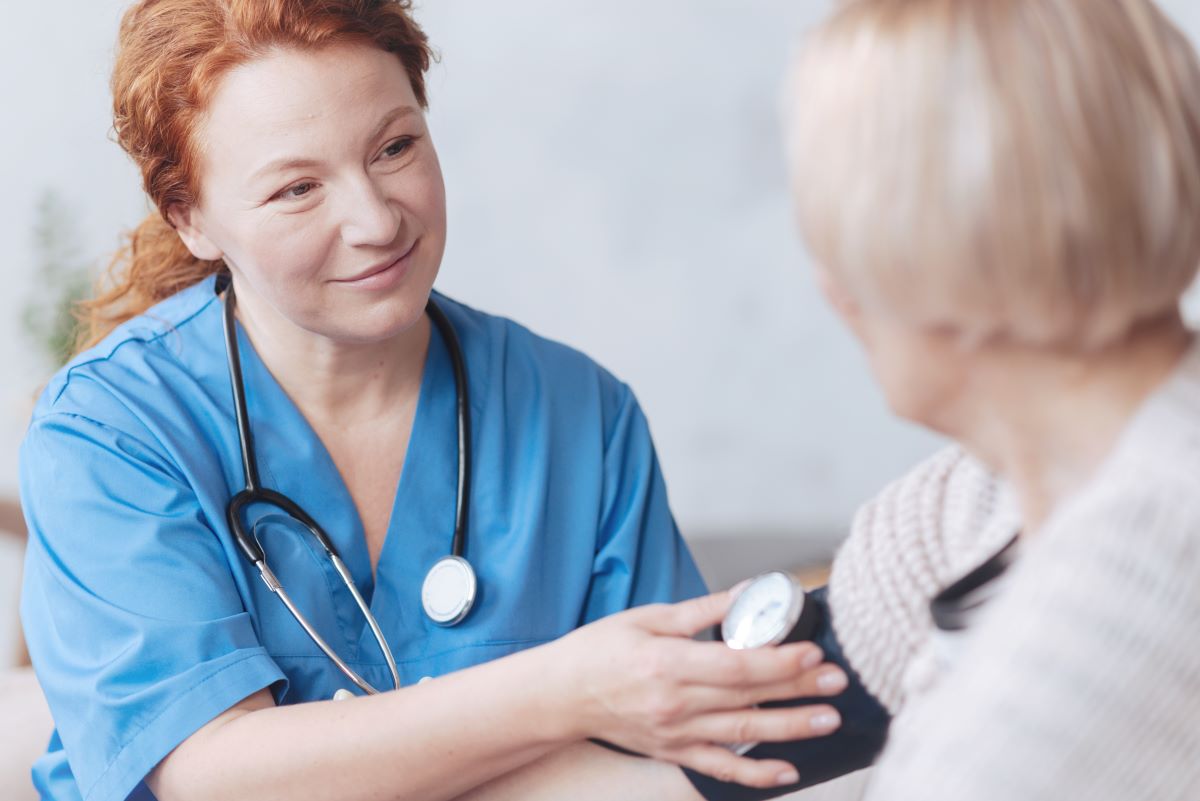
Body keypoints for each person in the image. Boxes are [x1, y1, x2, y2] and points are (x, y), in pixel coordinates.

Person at [16, 2, 850, 800]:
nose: (377, 220)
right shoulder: (110, 432)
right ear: (190, 218)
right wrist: (566, 692)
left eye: (394, 147)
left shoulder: (578, 416)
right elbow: (211, 774)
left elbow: (669, 755)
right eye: (297, 189)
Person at [449, 0, 1200, 799]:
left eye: (831, 238)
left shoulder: (1107, 620)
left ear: (936, 267)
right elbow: (721, 747)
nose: (828, 286)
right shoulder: (999, 490)